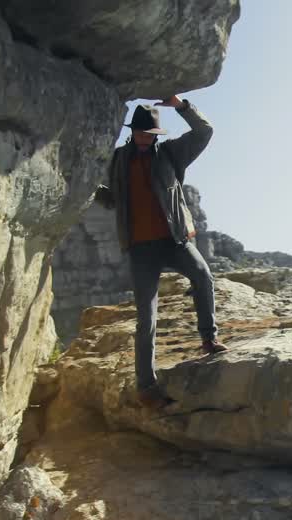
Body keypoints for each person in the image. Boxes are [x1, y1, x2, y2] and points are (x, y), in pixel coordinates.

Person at [95, 97, 227, 410]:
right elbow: (111, 199)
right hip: (141, 248)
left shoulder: (169, 154)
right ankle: (146, 386)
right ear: (133, 132)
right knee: (146, 317)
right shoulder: (118, 162)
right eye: (142, 132)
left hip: (175, 239)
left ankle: (209, 338)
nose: (146, 137)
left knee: (203, 275)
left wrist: (181, 105)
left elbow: (205, 131)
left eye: (151, 132)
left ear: (157, 134)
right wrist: (89, 189)